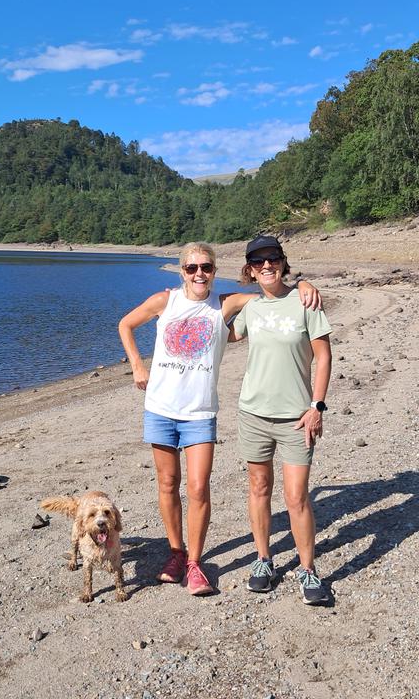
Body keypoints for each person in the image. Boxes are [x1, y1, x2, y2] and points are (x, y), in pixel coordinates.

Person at [118, 242, 320, 596]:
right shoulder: (164, 301)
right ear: (182, 271)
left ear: (214, 270)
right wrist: (137, 364)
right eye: (192, 268)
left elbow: (271, 293)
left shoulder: (225, 304)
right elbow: (125, 324)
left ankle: (194, 563)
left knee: (197, 488)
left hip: (200, 412)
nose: (199, 274)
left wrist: (303, 284)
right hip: (160, 408)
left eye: (206, 268)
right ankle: (176, 553)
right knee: (167, 484)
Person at [230, 235, 333, 605]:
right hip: (253, 414)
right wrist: (233, 301)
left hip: (296, 418)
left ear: (282, 261)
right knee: (258, 489)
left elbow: (323, 356)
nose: (267, 266)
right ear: (250, 269)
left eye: (272, 259)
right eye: (258, 262)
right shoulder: (251, 308)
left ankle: (308, 569)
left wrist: (316, 406)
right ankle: (263, 560)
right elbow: (222, 333)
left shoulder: (305, 301)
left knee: (296, 497)